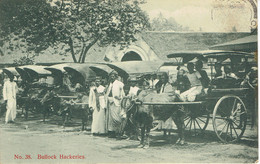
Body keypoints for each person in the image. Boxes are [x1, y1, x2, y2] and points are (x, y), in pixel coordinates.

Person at [106, 71, 125, 138]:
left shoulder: (120, 84)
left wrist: (119, 98)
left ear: (116, 77)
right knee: (110, 119)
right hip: (110, 102)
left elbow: (123, 94)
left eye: (113, 76)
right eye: (111, 76)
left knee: (116, 118)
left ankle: (119, 132)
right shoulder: (110, 84)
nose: (112, 77)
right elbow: (108, 93)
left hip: (117, 102)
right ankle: (112, 132)